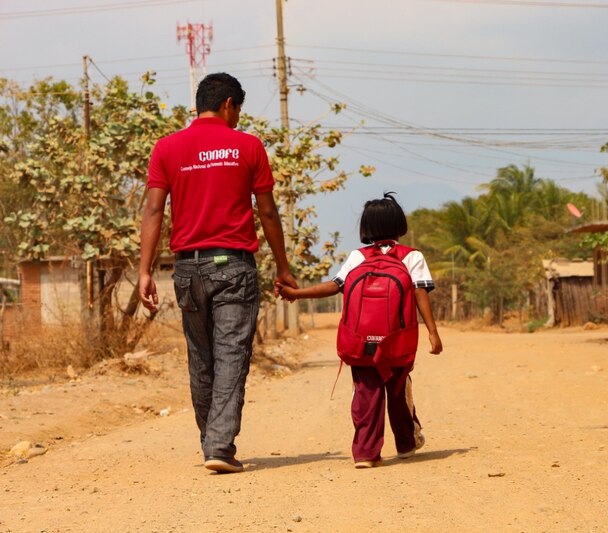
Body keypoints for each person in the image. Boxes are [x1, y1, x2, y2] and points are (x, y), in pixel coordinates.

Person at [139, 72, 297, 474]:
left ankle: (210, 442)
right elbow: (267, 212)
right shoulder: (248, 146)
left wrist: (144, 272)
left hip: (186, 267)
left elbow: (154, 211)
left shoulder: (167, 148)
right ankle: (220, 446)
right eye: (239, 110)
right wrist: (283, 266)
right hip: (235, 266)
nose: (239, 118)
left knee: (201, 355)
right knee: (231, 355)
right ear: (229, 104)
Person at [276, 193, 443, 468]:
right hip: (397, 340)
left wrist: (297, 293)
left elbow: (334, 286)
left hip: (360, 341)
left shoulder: (358, 256)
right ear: (400, 223)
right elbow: (419, 293)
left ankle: (366, 453)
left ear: (366, 227)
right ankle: (406, 444)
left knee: (366, 392)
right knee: (399, 391)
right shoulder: (412, 256)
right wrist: (432, 332)